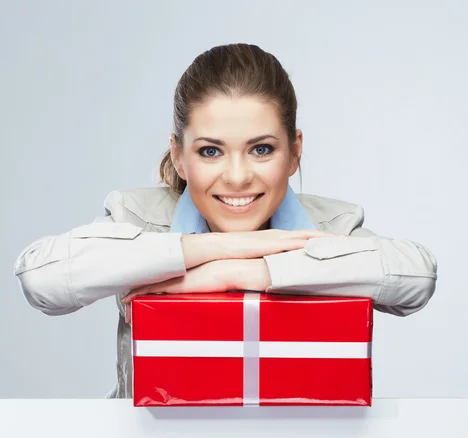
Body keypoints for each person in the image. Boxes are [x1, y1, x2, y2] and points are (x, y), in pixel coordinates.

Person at [13, 43, 438, 399]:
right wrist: (215, 249)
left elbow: (417, 279)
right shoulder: (136, 217)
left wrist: (244, 271)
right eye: (211, 151)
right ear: (179, 155)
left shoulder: (333, 224)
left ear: (294, 152)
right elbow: (40, 279)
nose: (237, 177)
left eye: (261, 149)